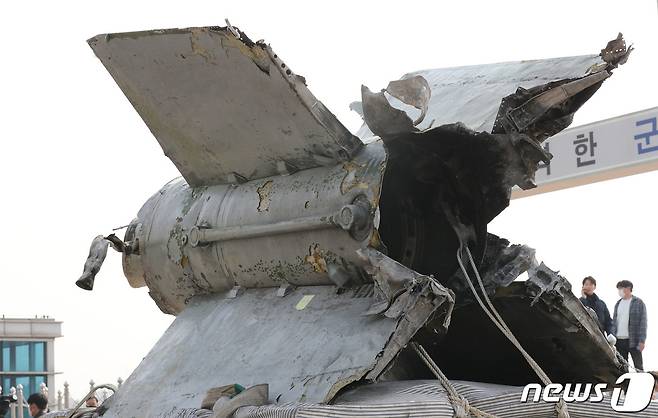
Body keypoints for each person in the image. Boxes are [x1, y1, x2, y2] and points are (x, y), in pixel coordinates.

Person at [611, 280, 648, 371]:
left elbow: (643, 323)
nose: (619, 291)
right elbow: (614, 322)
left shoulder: (638, 302)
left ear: (628, 289)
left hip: (634, 340)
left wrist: (642, 341)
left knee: (638, 366)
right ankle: (626, 385)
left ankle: (642, 384)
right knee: (622, 368)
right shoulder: (618, 303)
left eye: (621, 289)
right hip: (619, 340)